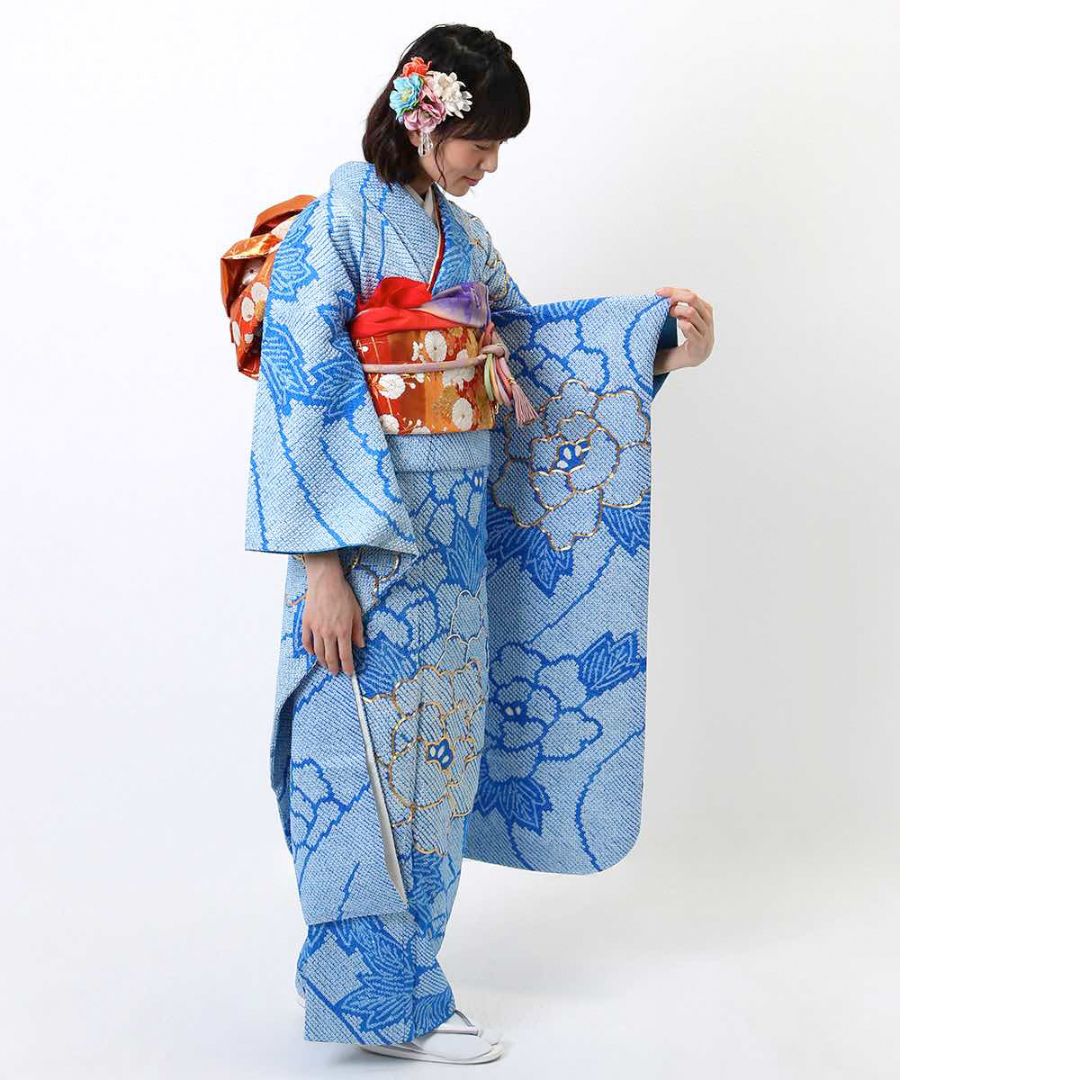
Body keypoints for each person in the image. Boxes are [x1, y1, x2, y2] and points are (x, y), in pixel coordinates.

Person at [242, 23, 715, 1065]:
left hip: (454, 552)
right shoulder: (339, 223)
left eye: (498, 147)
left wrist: (656, 349)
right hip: (368, 549)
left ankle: (409, 984)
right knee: (361, 765)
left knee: (439, 772)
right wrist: (321, 570)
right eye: (481, 142)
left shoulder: (462, 241)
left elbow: (535, 353)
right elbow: (302, 385)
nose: (489, 164)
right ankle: (376, 1001)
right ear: (426, 119)